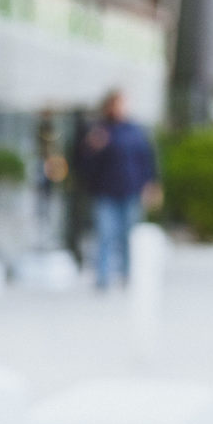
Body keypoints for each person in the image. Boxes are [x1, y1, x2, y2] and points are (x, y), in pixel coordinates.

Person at [76, 89, 159, 289]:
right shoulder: (99, 130)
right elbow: (82, 164)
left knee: (128, 237)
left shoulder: (135, 130)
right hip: (105, 192)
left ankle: (128, 276)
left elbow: (147, 160)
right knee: (105, 235)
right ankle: (103, 278)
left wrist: (152, 184)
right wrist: (91, 148)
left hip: (130, 191)